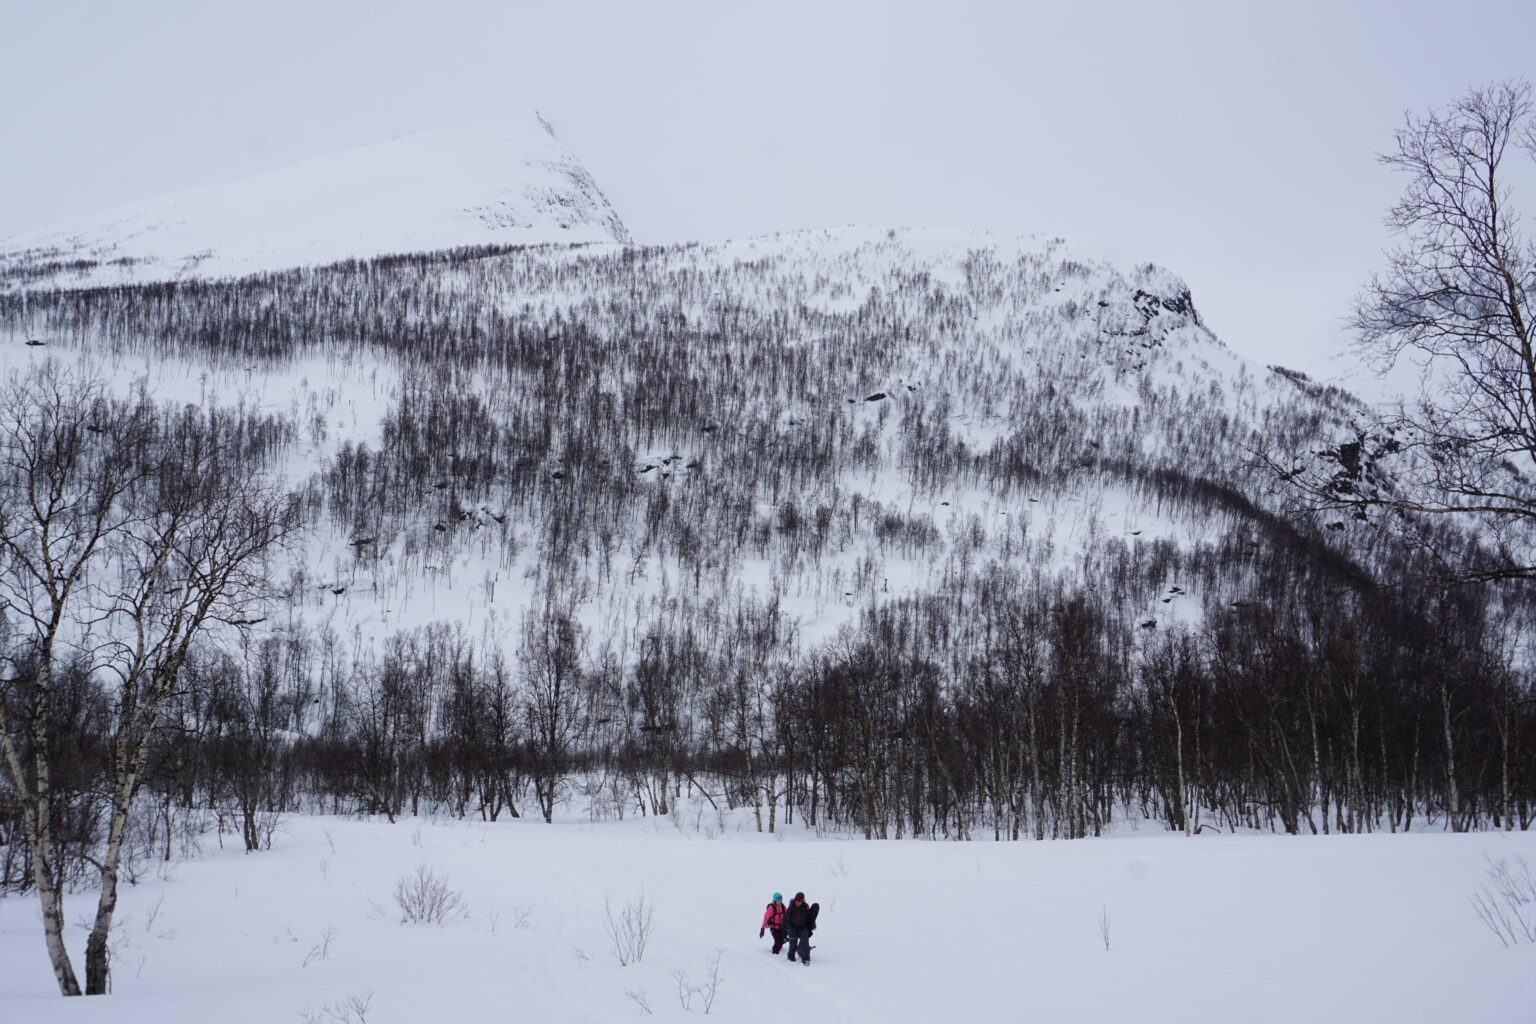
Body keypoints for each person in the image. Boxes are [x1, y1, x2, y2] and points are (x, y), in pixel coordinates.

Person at [782, 891, 818, 965]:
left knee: (805, 942)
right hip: (792, 927)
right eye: (796, 901)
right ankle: (791, 957)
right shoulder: (791, 906)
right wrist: (784, 931)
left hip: (803, 927)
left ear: (802, 900)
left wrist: (812, 925)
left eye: (799, 901)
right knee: (793, 944)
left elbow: (809, 917)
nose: (797, 902)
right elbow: (785, 918)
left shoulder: (806, 906)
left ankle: (805, 958)